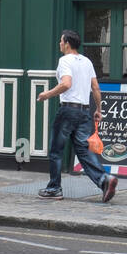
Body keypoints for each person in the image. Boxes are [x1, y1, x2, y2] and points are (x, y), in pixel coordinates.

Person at [36, 30, 116, 203]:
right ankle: (104, 180)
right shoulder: (87, 61)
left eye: (60, 41)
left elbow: (66, 83)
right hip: (84, 111)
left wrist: (46, 95)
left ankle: (54, 188)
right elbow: (95, 87)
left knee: (56, 151)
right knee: (84, 152)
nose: (59, 44)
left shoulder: (64, 61)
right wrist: (98, 110)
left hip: (68, 111)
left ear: (67, 43)